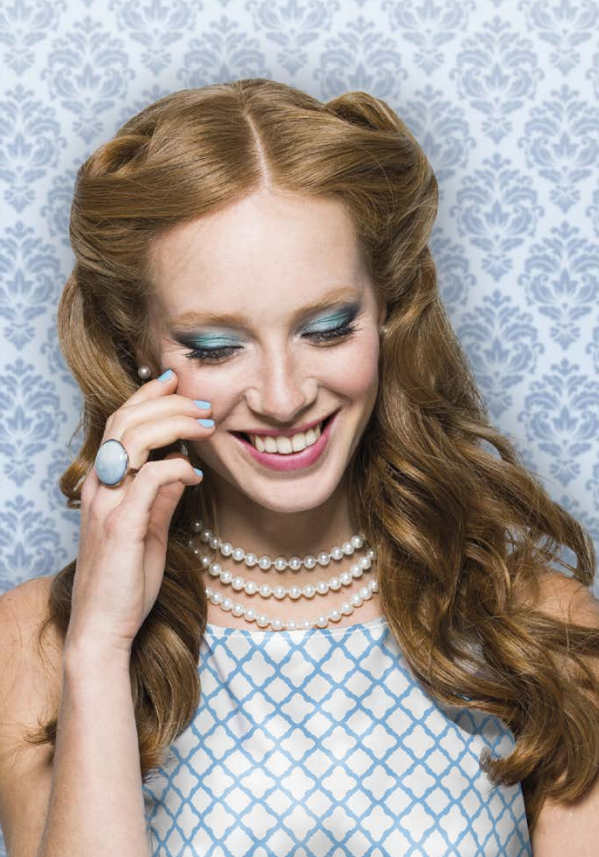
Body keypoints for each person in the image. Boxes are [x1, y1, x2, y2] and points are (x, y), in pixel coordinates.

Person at [0, 78, 598, 857]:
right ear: (135, 346)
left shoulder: (535, 624)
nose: (282, 397)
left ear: (386, 312)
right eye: (216, 346)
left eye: (327, 327)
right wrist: (102, 644)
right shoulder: (36, 644)